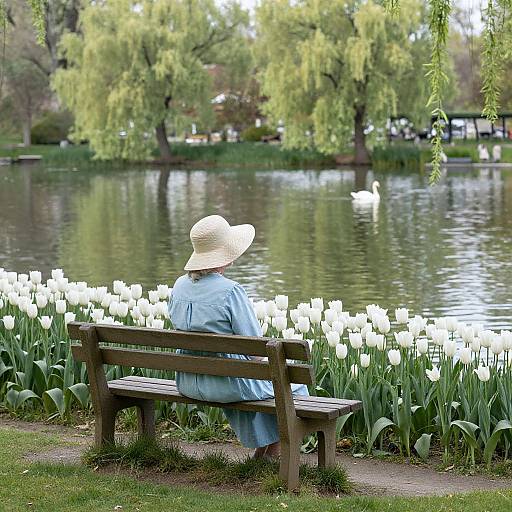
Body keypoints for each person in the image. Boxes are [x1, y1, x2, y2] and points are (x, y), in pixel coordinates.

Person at [168, 215, 308, 459]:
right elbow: (256, 350)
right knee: (291, 384)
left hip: (188, 381)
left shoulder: (179, 286)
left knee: (261, 379)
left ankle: (263, 453)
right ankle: (274, 453)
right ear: (226, 253)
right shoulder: (230, 291)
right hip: (227, 385)